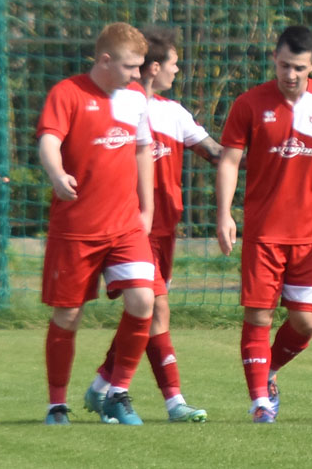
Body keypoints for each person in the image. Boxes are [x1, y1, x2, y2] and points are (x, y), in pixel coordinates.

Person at [216, 25, 312, 424]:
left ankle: (267, 370)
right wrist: (224, 213)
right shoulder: (249, 104)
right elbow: (229, 161)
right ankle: (259, 402)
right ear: (274, 59)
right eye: (284, 65)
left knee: (305, 322)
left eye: (299, 68)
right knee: (259, 317)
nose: (290, 74)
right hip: (263, 233)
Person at [83, 27, 222, 423]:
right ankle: (171, 402)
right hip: (127, 228)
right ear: (155, 67)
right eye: (174, 63)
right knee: (156, 309)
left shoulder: (173, 112)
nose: (178, 71)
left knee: (142, 313)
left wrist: (269, 154)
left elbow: (215, 153)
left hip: (165, 231)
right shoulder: (117, 106)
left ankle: (100, 387)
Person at [37, 22, 156, 425]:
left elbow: (142, 150)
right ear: (105, 60)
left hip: (125, 225)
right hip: (76, 229)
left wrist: (147, 209)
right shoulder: (67, 93)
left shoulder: (135, 97)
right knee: (68, 316)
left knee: (143, 300)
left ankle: (117, 392)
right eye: (130, 66)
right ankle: (57, 404)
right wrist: (56, 174)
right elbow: (49, 141)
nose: (137, 74)